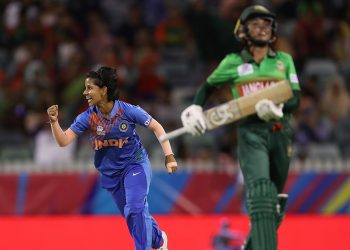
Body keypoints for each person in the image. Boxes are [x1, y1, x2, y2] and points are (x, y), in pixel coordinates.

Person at [181, 5, 301, 250]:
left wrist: (279, 109)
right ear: (243, 31)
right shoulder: (233, 62)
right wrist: (195, 108)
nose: (262, 29)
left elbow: (295, 99)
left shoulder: (283, 61)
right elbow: (207, 88)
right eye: (255, 24)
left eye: (266, 25)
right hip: (251, 133)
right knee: (261, 194)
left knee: (274, 205)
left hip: (280, 133)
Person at [47, 66, 177, 250]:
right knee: (133, 216)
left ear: (104, 90)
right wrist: (54, 122)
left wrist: (169, 156)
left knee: (135, 209)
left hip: (135, 165)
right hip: (111, 175)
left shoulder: (128, 111)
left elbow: (157, 127)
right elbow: (64, 141)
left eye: (89, 88)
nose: (85, 93)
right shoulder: (87, 117)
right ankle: (159, 240)